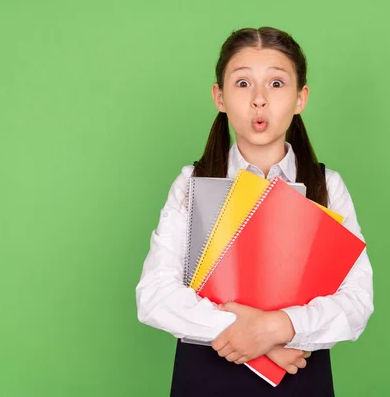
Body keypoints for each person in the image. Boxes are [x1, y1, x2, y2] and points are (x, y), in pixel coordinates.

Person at [135, 26, 374, 397]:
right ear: (220, 96)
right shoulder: (192, 182)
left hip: (299, 379)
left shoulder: (327, 185)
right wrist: (257, 336)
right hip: (206, 377)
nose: (259, 100)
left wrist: (278, 328)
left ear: (300, 98)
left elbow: (356, 302)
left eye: (277, 84)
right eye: (243, 83)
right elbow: (154, 295)